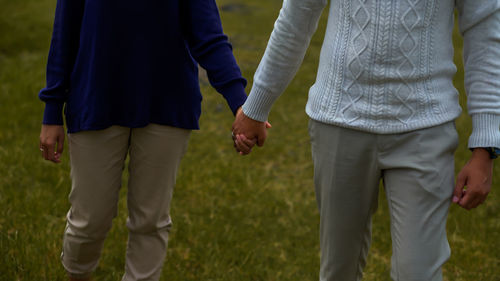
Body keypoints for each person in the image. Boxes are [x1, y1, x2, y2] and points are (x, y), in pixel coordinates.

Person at [232, 0, 500, 280]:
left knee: (418, 273)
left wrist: (485, 145)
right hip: (339, 121)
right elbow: (296, 18)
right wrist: (256, 106)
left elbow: (485, 34)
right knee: (339, 271)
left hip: (425, 127)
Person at [38, 1, 250, 280]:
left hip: (167, 104)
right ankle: (78, 275)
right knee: (89, 220)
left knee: (151, 220)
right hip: (95, 99)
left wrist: (240, 103)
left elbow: (208, 36)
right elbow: (64, 34)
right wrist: (52, 109)